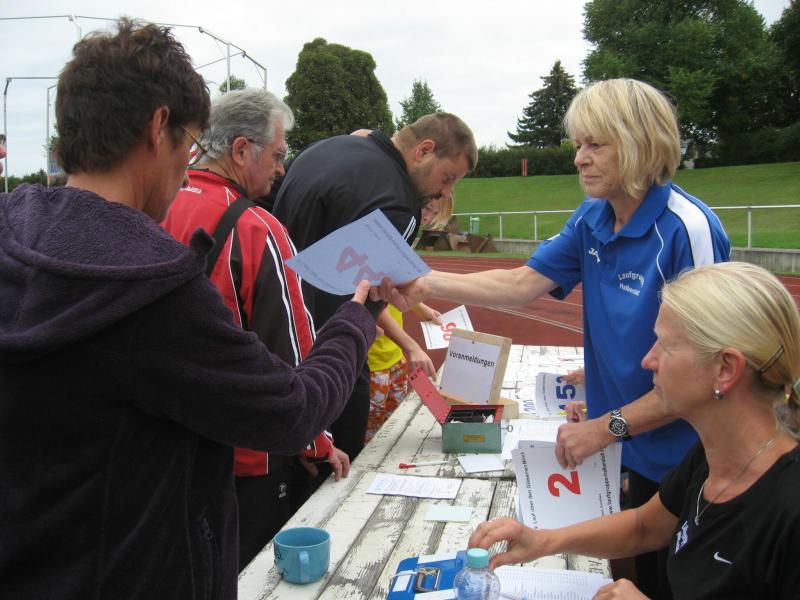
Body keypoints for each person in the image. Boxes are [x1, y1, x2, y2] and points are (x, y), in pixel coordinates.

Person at [0, 19, 376, 600]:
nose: (187, 167)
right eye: (190, 143)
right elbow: (292, 410)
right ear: (158, 128)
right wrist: (358, 315)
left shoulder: (13, 231)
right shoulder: (153, 288)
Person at [381, 79, 730, 598]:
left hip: (686, 459)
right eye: (578, 144)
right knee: (623, 575)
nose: (579, 158)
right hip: (626, 451)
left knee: (668, 583)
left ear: (638, 143)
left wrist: (607, 426)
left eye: (595, 145)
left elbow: (708, 375)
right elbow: (522, 283)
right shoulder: (593, 216)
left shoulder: (687, 230)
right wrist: (425, 281)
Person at [468, 262, 800, 600]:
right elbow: (644, 526)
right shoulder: (712, 455)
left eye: (664, 345)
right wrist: (542, 541)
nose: (647, 360)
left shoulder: (789, 508)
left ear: (725, 370)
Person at [161, 88, 350, 571]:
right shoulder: (257, 227)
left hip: (166, 448)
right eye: (277, 155)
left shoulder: (158, 203)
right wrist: (314, 440)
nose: (281, 169)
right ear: (241, 150)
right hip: (246, 454)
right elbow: (292, 350)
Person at [273, 113, 478, 463]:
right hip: (330, 357)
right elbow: (369, 294)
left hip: (276, 334)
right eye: (447, 178)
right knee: (340, 466)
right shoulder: (400, 202)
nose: (444, 192)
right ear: (424, 150)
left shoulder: (322, 149)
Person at [365, 195, 452, 442]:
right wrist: (411, 346)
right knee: (370, 436)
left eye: (434, 214)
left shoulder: (402, 242)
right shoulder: (379, 244)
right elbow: (374, 304)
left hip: (395, 357)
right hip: (374, 362)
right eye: (427, 209)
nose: (428, 218)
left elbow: (396, 291)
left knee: (393, 427)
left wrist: (420, 308)